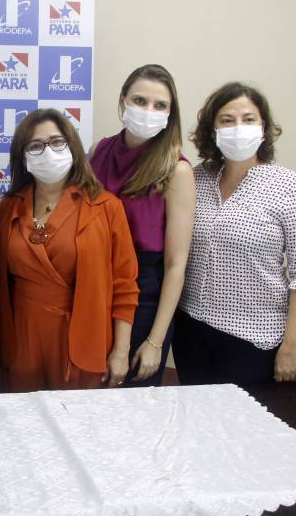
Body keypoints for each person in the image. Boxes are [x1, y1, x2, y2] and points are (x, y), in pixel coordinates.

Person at [0, 108, 139, 391]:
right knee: (24, 415)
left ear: (72, 146)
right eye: (36, 146)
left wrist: (121, 352)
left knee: (76, 417)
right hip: (21, 337)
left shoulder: (106, 207)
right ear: (23, 157)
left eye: (57, 142)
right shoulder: (6, 209)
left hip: (84, 336)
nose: (48, 152)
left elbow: (125, 286)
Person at [175, 82, 296, 385]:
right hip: (191, 330)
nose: (238, 128)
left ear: (263, 128)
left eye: (248, 119)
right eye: (227, 120)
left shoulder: (291, 187)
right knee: (196, 413)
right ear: (212, 130)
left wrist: (292, 346)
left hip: (253, 339)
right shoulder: (196, 178)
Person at [89, 64, 195, 386]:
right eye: (140, 100)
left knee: (131, 402)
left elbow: (176, 264)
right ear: (123, 100)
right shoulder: (98, 151)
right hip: (95, 288)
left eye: (159, 105)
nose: (148, 111)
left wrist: (155, 341)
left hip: (143, 298)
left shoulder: (176, 171)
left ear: (170, 113)